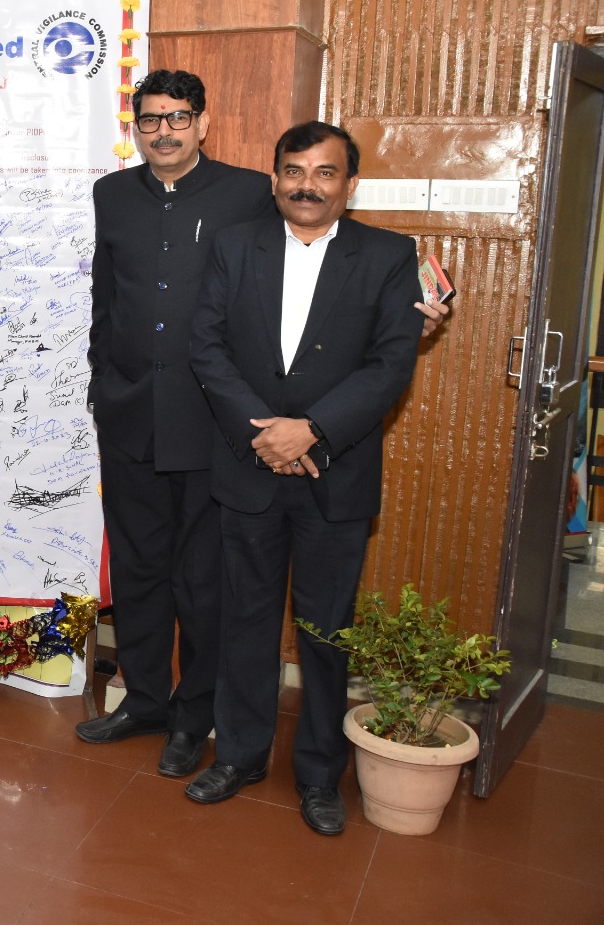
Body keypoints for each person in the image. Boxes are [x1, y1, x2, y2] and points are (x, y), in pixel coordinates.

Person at [79, 71, 444, 779]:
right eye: (151, 119)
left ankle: (193, 717)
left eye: (179, 117)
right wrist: (103, 380)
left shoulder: (253, 191)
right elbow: (106, 294)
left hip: (213, 425)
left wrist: (419, 321)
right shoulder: (111, 194)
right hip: (130, 417)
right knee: (139, 570)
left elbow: (343, 290)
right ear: (136, 127)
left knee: (206, 586)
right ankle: (144, 700)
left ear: (203, 123)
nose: (164, 131)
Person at [185, 121, 423, 835]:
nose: (307, 186)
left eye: (324, 172)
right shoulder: (234, 246)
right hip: (250, 466)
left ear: (350, 184)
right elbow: (206, 345)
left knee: (325, 633)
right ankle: (240, 756)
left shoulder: (389, 256)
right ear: (275, 178)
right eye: (294, 171)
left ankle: (320, 774)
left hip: (335, 474)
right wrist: (264, 434)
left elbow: (391, 362)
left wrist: (311, 429)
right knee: (246, 622)